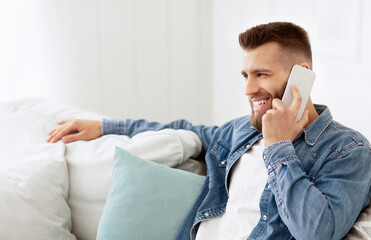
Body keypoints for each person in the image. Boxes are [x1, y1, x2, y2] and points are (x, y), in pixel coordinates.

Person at [46, 22, 371, 240]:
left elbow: (316, 232)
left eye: (261, 74)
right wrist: (106, 125)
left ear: (302, 76)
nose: (248, 89)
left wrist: (279, 146)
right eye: (245, 75)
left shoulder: (348, 150)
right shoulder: (243, 132)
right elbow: (185, 129)